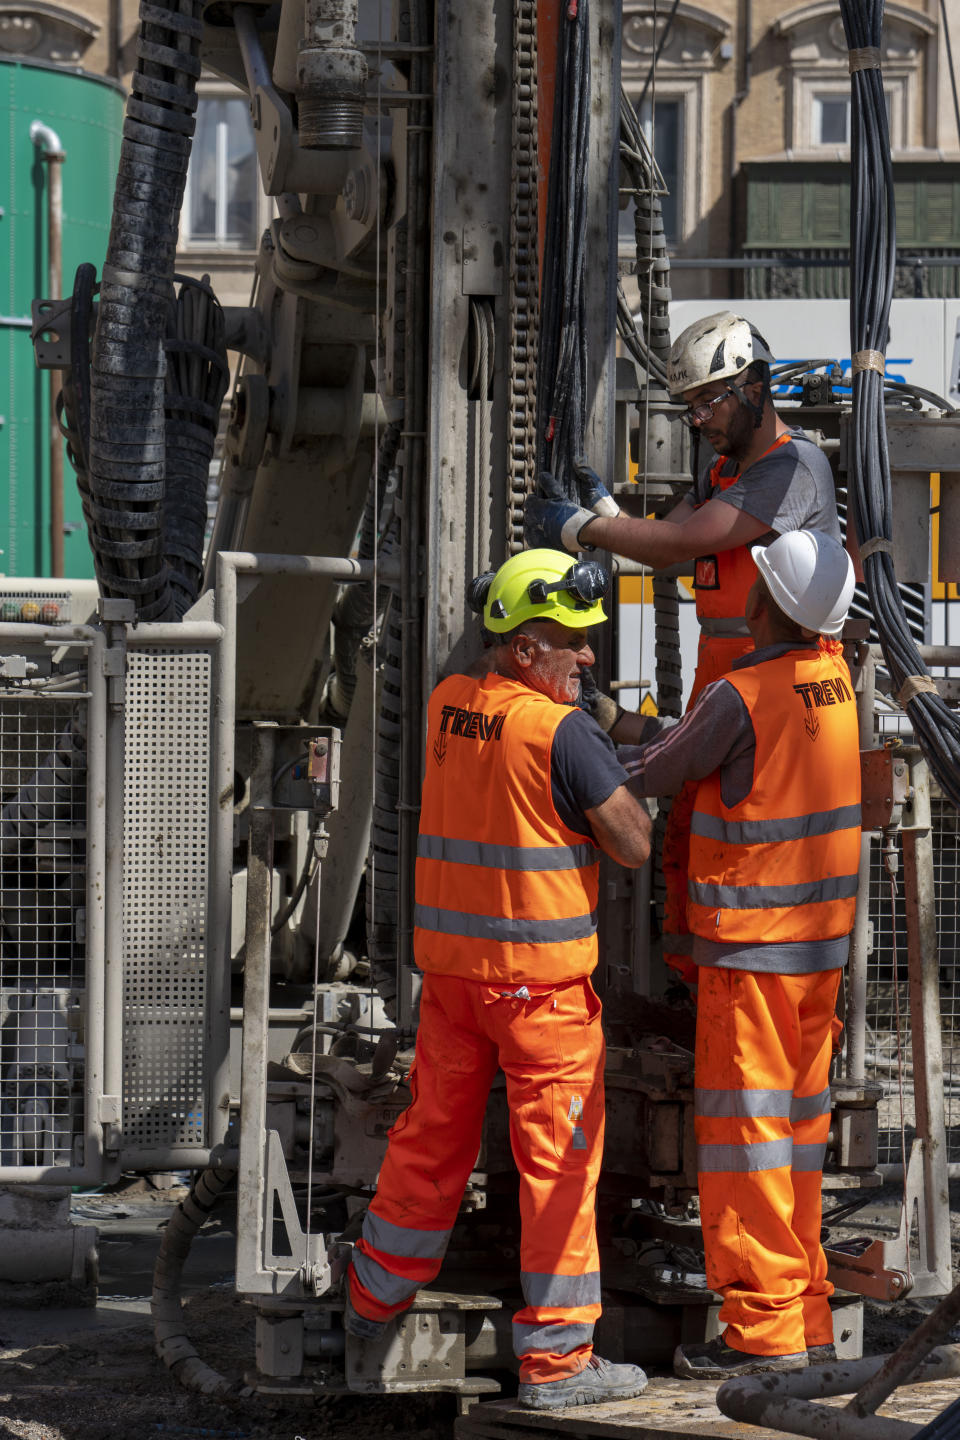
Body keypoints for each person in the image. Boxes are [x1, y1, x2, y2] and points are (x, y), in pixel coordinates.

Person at [344, 548, 652, 1410]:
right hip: (541, 995)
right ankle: (557, 1363)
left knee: (431, 1142)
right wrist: (616, 766)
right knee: (557, 1170)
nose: (588, 656)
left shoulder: (450, 706)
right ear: (522, 649)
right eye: (571, 642)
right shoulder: (559, 732)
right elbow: (631, 844)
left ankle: (372, 1302)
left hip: (454, 985)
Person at [525, 311, 844, 984]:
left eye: (710, 399)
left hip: (772, 694)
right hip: (728, 682)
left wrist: (581, 529)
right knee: (693, 852)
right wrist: (609, 517)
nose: (698, 418)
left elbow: (681, 543)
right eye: (690, 404)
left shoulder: (791, 471)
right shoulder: (728, 470)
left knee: (740, 862)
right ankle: (701, 1001)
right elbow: (668, 543)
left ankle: (736, 1000)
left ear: (756, 385)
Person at [618, 529, 860, 1379]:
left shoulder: (741, 694)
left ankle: (759, 1333)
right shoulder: (834, 680)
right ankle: (809, 1316)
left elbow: (660, 771)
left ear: (768, 604)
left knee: (747, 1141)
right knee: (795, 1140)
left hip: (754, 955)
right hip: (816, 954)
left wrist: (581, 750)